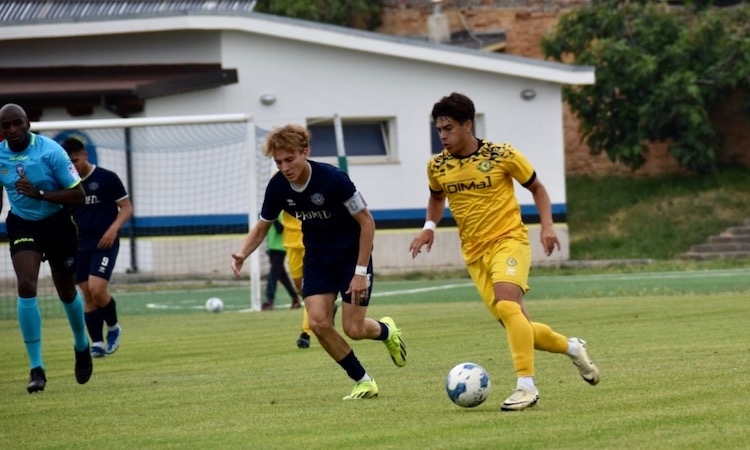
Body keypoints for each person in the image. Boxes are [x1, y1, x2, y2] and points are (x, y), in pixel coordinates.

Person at [409, 92, 600, 411]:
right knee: (517, 325)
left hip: (509, 240)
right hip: (474, 254)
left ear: (467, 125)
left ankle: (526, 386)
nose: (442, 136)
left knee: (508, 304)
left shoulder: (501, 154)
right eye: (439, 130)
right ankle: (571, 347)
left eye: (448, 128)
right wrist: (429, 227)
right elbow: (436, 197)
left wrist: (548, 226)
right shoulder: (437, 166)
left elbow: (537, 188)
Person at [231, 123, 406, 400]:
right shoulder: (277, 187)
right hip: (318, 258)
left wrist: (360, 272)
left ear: (305, 152)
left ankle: (387, 331)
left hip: (352, 257)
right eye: (278, 162)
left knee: (354, 329)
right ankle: (363, 380)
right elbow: (263, 225)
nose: (284, 167)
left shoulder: (334, 179)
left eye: (290, 159)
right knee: (318, 323)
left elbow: (367, 223)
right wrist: (242, 253)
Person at [0, 103, 92, 393]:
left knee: (66, 291)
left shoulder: (50, 151)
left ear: (27, 123)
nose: (13, 130)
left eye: (17, 123)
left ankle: (81, 344)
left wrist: (39, 193)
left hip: (58, 223)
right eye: (6, 126)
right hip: (23, 224)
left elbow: (78, 195)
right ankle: (36, 368)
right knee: (26, 285)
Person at [62, 137, 132, 358]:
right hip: (80, 245)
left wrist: (113, 229)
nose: (74, 165)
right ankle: (98, 343)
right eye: (69, 162)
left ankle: (113, 328)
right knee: (87, 294)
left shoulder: (107, 178)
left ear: (85, 155)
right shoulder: (68, 184)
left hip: (105, 243)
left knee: (97, 289)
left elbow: (126, 208)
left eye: (76, 160)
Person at [262, 212, 302, 310]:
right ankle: (295, 298)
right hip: (272, 247)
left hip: (281, 246)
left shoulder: (282, 212)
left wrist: (272, 217)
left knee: (273, 273)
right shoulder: (270, 210)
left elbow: (281, 229)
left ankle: (269, 300)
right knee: (281, 275)